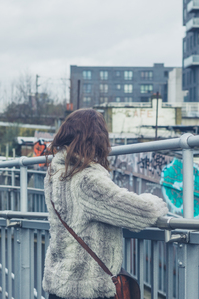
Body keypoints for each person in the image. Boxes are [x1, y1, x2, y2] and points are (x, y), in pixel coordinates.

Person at [42, 109, 168, 299]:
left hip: (59, 284)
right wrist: (156, 202)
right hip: (86, 289)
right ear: (96, 141)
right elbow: (142, 212)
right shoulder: (86, 179)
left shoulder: (54, 174)